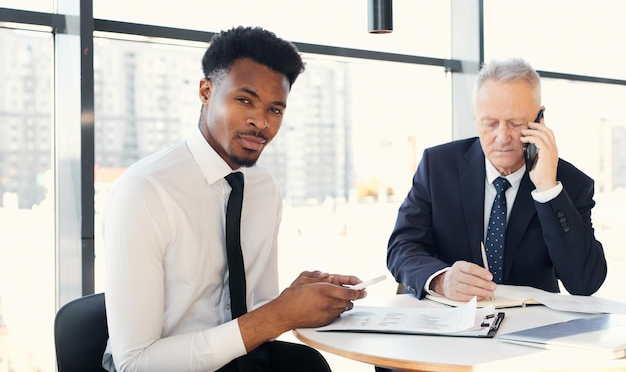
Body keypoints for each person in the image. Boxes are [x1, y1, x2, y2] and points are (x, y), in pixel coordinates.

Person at [102, 26, 366, 372]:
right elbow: (135, 363)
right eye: (245, 100)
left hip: (244, 360)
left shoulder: (263, 186)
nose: (261, 123)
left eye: (275, 110)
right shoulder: (145, 191)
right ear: (206, 91)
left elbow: (257, 307)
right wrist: (279, 314)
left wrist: (295, 299)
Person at [387, 57, 607, 303]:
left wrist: (547, 190)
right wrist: (441, 280)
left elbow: (585, 283)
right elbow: (401, 247)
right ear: (475, 119)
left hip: (531, 330)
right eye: (490, 123)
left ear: (539, 119)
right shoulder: (437, 167)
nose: (502, 137)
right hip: (452, 324)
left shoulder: (569, 184)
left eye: (516, 123)